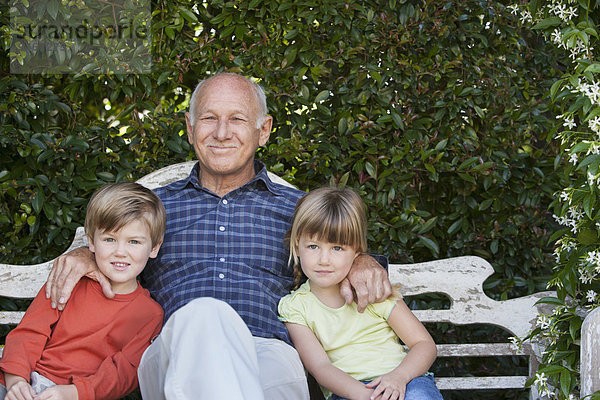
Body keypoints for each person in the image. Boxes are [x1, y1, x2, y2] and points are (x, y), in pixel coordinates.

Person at [45, 72, 393, 400]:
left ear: (264, 130)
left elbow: (338, 250)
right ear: (190, 126)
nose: (222, 132)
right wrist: (85, 254)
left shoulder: (300, 211)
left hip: (268, 355)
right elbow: (114, 247)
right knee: (205, 314)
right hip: (173, 354)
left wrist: (363, 261)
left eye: (238, 119)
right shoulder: (153, 211)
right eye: (210, 118)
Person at [0, 182, 165, 400]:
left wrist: (73, 393)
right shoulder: (69, 281)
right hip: (22, 380)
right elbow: (29, 333)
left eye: (134, 241)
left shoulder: (149, 314)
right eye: (109, 239)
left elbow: (122, 373)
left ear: (154, 247)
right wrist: (16, 382)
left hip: (76, 394)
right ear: (91, 242)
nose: (120, 252)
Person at [278, 187, 443, 400]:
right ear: (297, 245)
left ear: (357, 251)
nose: (324, 259)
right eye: (313, 246)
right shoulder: (295, 307)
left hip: (405, 381)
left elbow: (424, 344)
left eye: (337, 248)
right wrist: (369, 397)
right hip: (349, 392)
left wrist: (399, 377)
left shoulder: (373, 291)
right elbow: (321, 368)